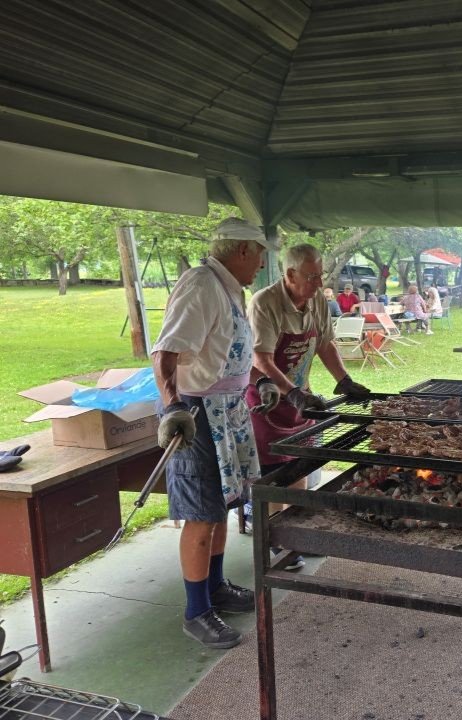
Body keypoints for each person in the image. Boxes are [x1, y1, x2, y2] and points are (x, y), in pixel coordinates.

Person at [151, 217, 279, 650]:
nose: (262, 265)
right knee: (201, 511)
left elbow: (233, 349)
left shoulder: (228, 287)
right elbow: (165, 352)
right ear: (243, 250)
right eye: (260, 255)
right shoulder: (201, 284)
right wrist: (172, 408)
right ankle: (196, 611)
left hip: (229, 408)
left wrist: (257, 381)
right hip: (197, 412)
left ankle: (217, 587)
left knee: (224, 503)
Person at [246, 244, 371, 563]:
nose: (319, 283)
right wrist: (292, 393)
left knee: (300, 461)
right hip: (268, 398)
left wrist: (342, 380)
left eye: (320, 275)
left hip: (300, 395)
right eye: (311, 276)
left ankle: (297, 532)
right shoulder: (265, 303)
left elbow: (325, 344)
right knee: (275, 470)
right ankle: (276, 537)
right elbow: (260, 358)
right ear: (290, 274)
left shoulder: (316, 301)